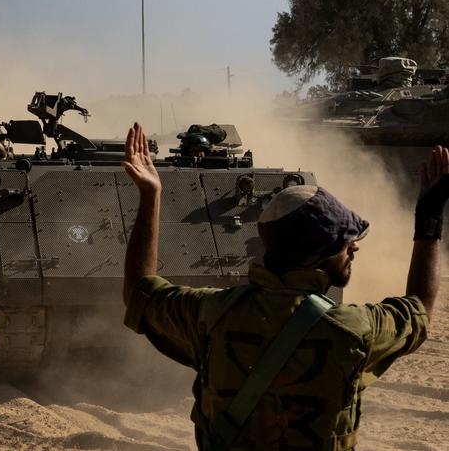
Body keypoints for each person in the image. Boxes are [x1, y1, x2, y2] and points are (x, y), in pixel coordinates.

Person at [122, 122, 449, 450]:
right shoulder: (354, 330)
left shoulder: (213, 314)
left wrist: (151, 196)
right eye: (344, 242)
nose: (354, 248)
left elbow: (140, 291)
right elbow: (419, 307)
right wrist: (430, 217)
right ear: (317, 254)